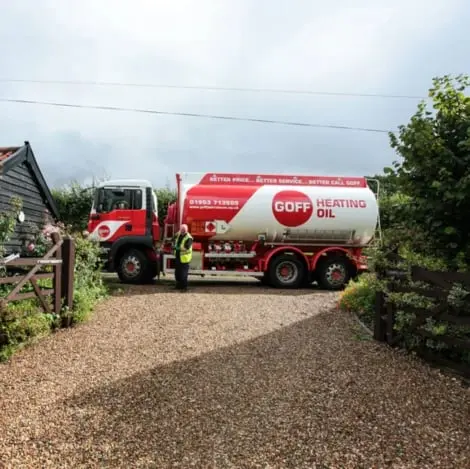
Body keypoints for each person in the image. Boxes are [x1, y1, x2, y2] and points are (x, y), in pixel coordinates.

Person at [173, 224, 193, 291]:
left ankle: (184, 287)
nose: (182, 231)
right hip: (178, 257)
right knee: (177, 273)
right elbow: (173, 238)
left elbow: (187, 248)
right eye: (181, 229)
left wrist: (177, 248)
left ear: (186, 230)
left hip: (185, 259)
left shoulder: (189, 237)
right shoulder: (179, 234)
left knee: (183, 274)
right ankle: (178, 286)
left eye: (184, 230)